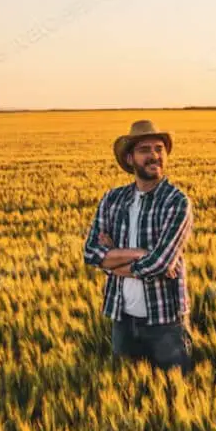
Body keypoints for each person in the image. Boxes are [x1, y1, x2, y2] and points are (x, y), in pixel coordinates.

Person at [83, 120, 194, 373]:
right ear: (130, 158)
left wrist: (112, 262)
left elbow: (161, 263)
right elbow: (91, 252)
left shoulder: (176, 202)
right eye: (145, 149)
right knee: (126, 395)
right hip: (122, 318)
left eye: (159, 148)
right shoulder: (113, 199)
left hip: (166, 322)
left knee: (174, 396)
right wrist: (141, 254)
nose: (154, 155)